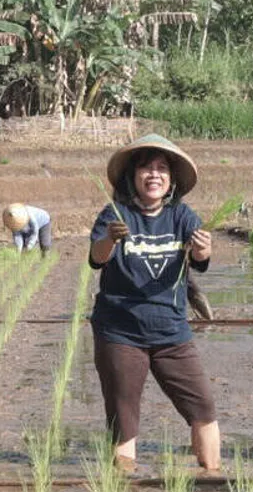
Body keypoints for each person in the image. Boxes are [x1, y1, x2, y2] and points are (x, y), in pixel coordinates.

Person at [88, 133, 220, 473]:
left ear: (171, 179)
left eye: (162, 168)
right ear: (133, 176)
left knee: (203, 408)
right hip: (120, 332)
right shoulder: (115, 213)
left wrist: (203, 246)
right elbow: (97, 258)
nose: (154, 174)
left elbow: (201, 258)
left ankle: (213, 480)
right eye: (146, 168)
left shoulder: (182, 215)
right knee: (124, 417)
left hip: (172, 333)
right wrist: (110, 239)